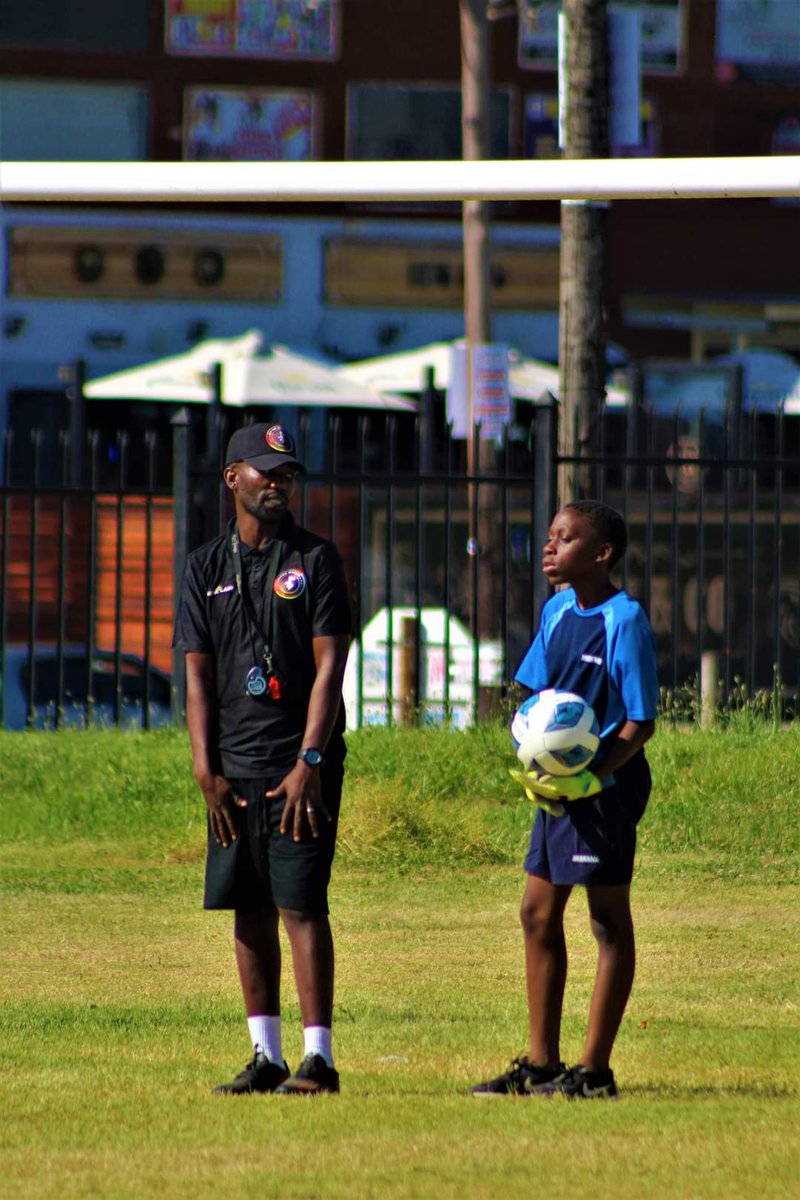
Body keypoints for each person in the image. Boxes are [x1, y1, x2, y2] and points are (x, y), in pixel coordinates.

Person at [173, 422, 352, 1096]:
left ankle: (319, 1059)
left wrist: (311, 759)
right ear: (233, 478)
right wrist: (205, 769)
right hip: (233, 768)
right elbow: (196, 675)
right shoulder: (204, 567)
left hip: (298, 766)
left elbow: (331, 666)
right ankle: (265, 1056)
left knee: (300, 903)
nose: (279, 484)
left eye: (288, 474)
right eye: (266, 471)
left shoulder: (315, 559)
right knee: (247, 908)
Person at [472, 500, 658, 1100]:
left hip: (607, 787)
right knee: (536, 913)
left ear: (601, 554)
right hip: (557, 788)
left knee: (607, 923)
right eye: (550, 536)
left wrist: (592, 773)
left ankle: (594, 1072)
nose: (550, 546)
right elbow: (534, 696)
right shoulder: (556, 611)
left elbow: (640, 721)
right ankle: (541, 1064)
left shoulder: (624, 619)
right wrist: (532, 751)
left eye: (566, 538)